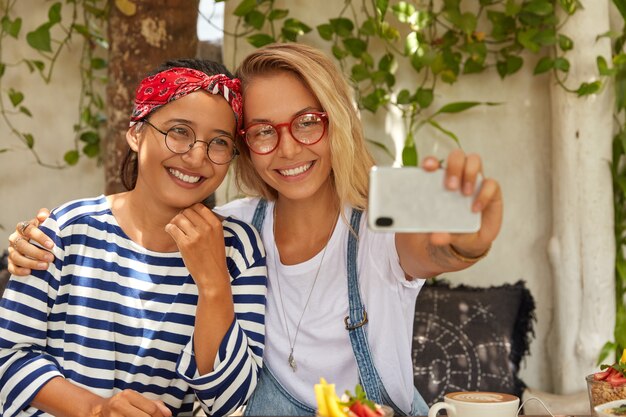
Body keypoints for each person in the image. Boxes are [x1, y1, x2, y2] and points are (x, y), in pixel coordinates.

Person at [7, 43, 502, 417]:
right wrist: (31, 239)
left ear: (339, 124)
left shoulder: (379, 212)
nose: (288, 149)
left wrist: (470, 236)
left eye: (308, 122)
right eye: (264, 130)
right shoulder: (237, 225)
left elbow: (440, 244)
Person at [0, 59, 267, 417]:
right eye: (179, 131)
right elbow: (8, 358)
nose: (197, 156)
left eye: (219, 142)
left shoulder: (239, 250)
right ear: (136, 133)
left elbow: (232, 403)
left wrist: (213, 283)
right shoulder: (66, 231)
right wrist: (97, 409)